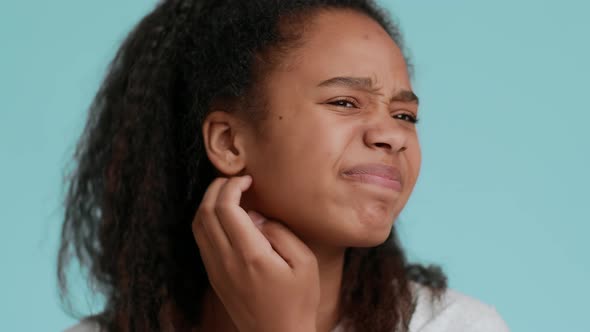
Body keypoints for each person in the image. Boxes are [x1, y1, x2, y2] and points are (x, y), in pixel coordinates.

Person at [58, 0, 510, 331]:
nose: (391, 134)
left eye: (404, 115)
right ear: (228, 140)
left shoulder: (456, 325)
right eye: (345, 101)